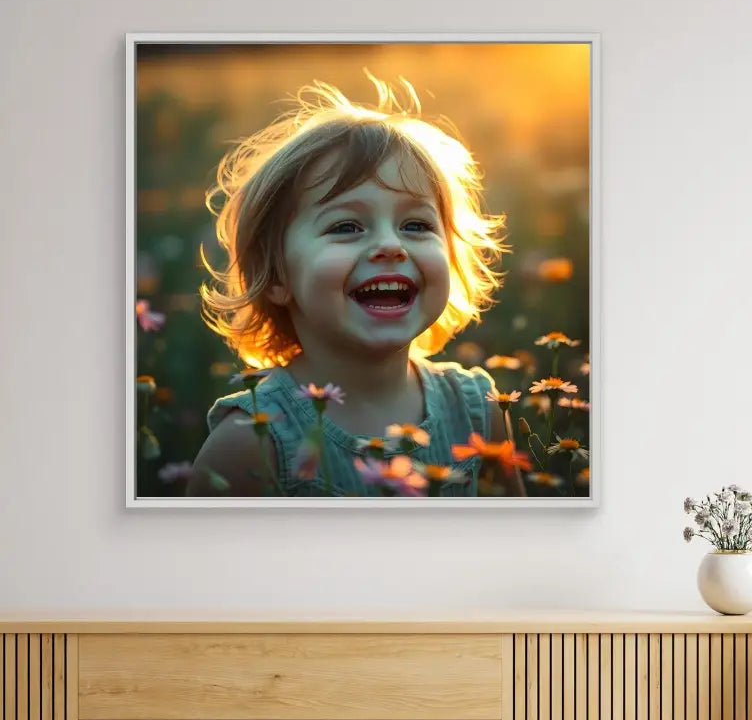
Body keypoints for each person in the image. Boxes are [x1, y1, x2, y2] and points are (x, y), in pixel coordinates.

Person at [186, 76, 526, 497]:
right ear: (275, 276)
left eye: (416, 225)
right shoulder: (253, 441)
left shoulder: (477, 412)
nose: (390, 245)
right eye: (347, 226)